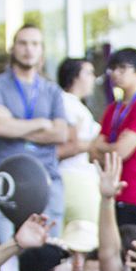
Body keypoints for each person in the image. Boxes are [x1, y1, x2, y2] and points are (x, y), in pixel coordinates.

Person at [0, 25, 68, 242]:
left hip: (47, 180)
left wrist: (15, 127)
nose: (29, 49)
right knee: (7, 254)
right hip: (8, 180)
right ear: (13, 48)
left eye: (35, 44)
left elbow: (61, 134)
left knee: (49, 253)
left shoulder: (51, 90)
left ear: (42, 51)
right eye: (23, 43)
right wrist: (41, 123)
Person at [92, 47, 136, 234]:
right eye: (112, 69)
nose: (115, 74)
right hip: (111, 194)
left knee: (134, 256)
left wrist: (103, 147)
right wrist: (111, 148)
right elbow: (92, 153)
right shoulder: (113, 108)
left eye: (122, 69)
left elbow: (122, 151)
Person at [55, 56, 101, 248]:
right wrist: (94, 144)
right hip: (76, 179)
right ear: (75, 76)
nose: (93, 78)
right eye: (88, 73)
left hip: (78, 178)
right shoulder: (66, 104)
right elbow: (67, 145)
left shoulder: (74, 105)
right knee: (83, 240)